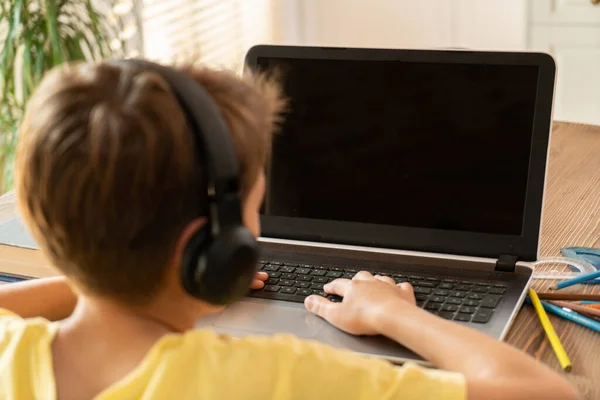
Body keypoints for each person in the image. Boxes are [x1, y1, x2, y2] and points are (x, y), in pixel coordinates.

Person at [0, 60, 579, 400]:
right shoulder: (269, 379)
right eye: (256, 203)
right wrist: (393, 314)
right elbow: (545, 394)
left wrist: (136, 275)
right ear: (211, 247)